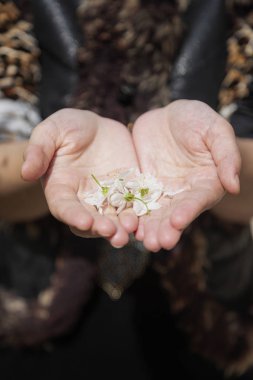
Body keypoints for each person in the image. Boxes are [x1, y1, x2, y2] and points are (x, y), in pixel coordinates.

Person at [0, 0, 253, 379]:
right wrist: (47, 162)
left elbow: (245, 195)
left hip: (202, 316)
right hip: (43, 309)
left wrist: (219, 152)